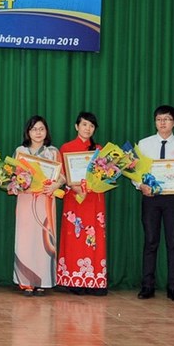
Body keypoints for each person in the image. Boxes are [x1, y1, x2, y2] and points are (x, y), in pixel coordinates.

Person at [136, 104, 174, 302]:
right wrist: (140, 186)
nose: (163, 123)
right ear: (155, 122)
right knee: (150, 241)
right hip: (150, 199)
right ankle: (147, 286)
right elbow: (136, 171)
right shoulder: (144, 144)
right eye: (159, 119)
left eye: (167, 119)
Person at [57, 112, 108, 295]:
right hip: (75, 198)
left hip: (94, 199)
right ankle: (73, 280)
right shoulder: (66, 148)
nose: (88, 128)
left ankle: (95, 281)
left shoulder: (99, 150)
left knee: (94, 238)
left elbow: (104, 174)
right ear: (76, 126)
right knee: (75, 237)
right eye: (84, 124)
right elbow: (62, 174)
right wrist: (74, 186)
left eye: (91, 126)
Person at [13, 115, 63, 296]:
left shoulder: (53, 152)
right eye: (34, 129)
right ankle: (26, 282)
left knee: (44, 241)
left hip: (45, 201)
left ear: (46, 131)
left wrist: (56, 185)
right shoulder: (20, 151)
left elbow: (62, 177)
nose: (38, 133)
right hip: (26, 201)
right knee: (25, 240)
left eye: (41, 129)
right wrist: (18, 183)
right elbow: (13, 176)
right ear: (28, 132)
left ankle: (43, 282)